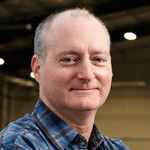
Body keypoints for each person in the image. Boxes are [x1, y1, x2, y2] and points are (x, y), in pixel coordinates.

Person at [0, 8, 130, 149]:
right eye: (69, 59)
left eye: (98, 59)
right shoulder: (17, 145)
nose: (87, 75)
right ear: (37, 68)